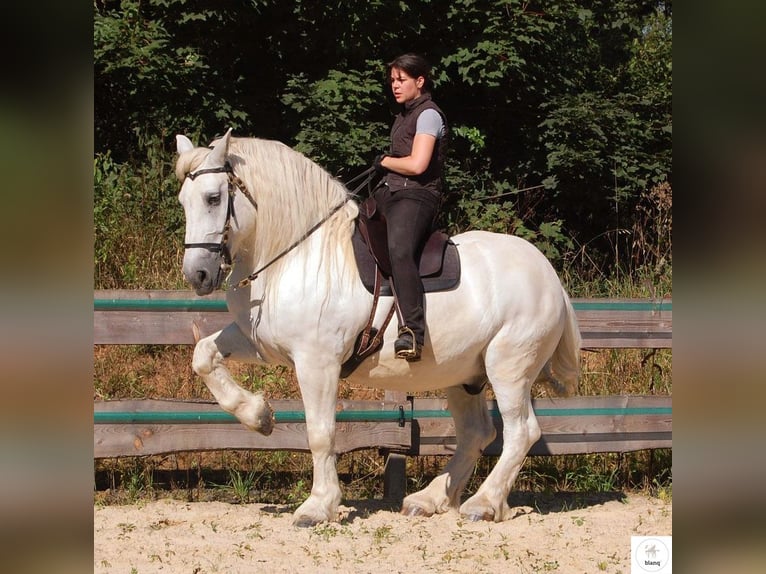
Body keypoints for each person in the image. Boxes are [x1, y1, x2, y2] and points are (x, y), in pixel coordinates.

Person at [372, 53, 448, 361]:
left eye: (401, 80)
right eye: (392, 80)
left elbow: (418, 165)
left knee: (400, 250)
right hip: (392, 192)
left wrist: (384, 161)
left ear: (420, 81)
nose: (395, 86)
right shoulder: (403, 115)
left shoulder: (428, 115)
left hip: (418, 196)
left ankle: (412, 332)